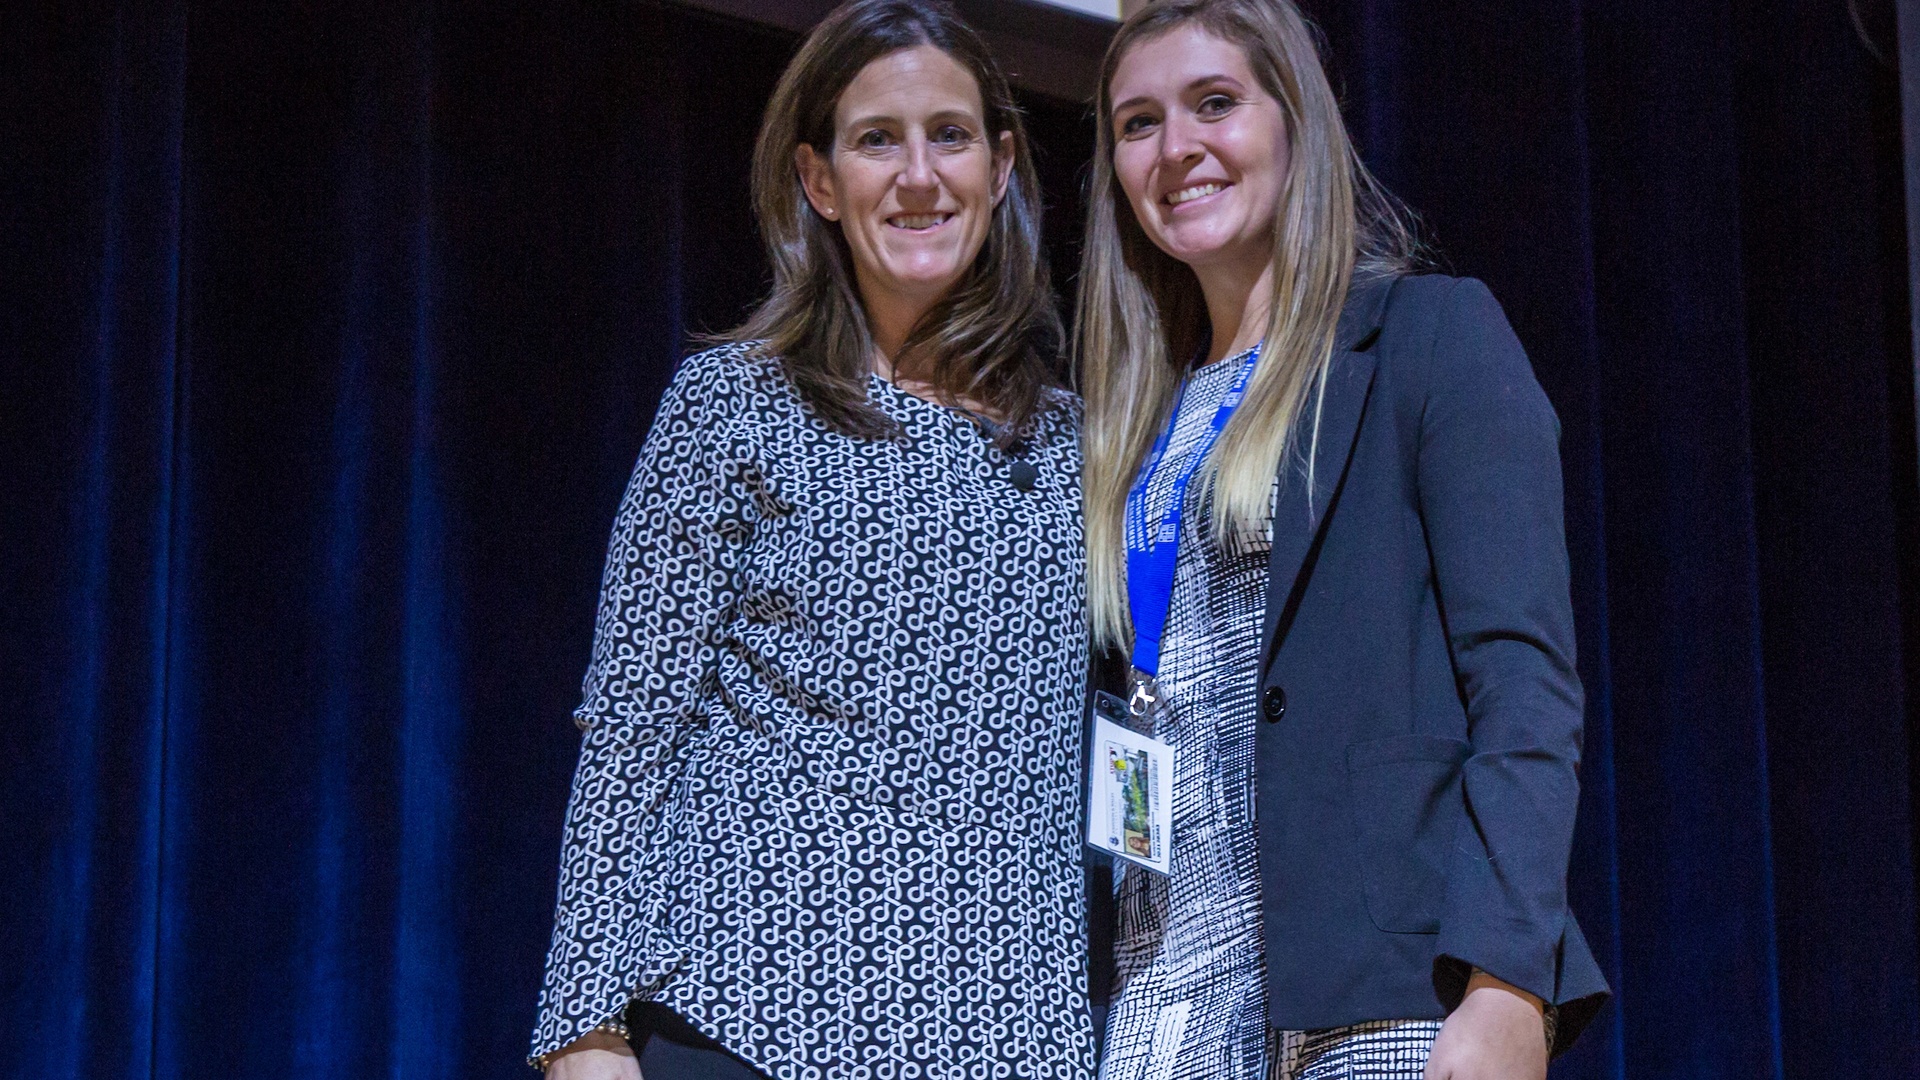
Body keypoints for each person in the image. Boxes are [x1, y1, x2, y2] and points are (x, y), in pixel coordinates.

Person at [528, 2, 1094, 1078]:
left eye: (951, 135)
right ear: (820, 180)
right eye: (878, 139)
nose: (918, 175)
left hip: (1009, 1033)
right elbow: (630, 729)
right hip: (743, 1018)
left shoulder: (1078, 447)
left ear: (1004, 165)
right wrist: (585, 1030)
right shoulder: (735, 401)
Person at [1075, 2, 1609, 1078]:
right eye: (1139, 122)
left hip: (1376, 993)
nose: (1178, 148)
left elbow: (1525, 686)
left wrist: (1507, 980)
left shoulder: (1428, 339)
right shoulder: (1125, 426)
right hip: (1160, 1005)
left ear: (1293, 120)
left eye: (1215, 103)